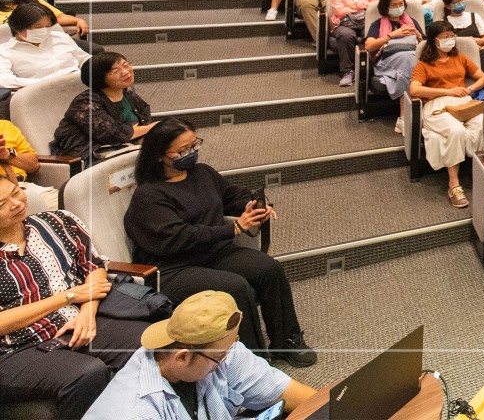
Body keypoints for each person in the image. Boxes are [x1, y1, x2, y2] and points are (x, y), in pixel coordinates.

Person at [124, 120, 315, 364]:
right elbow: (180, 237)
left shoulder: (202, 173)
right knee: (235, 287)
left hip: (213, 253)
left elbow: (232, 195)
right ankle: (251, 362)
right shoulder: (149, 195)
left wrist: (252, 206)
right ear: (159, 155)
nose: (191, 153)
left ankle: (286, 341)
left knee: (269, 268)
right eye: (182, 150)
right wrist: (233, 228)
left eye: (194, 145)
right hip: (173, 267)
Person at [0, 173, 151, 419]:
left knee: (150, 342)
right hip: (16, 347)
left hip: (75, 320)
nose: (16, 204)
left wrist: (87, 313)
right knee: (87, 373)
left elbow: (94, 268)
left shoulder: (58, 222)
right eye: (2, 204)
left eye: (16, 193)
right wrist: (67, 297)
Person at [83, 289, 317, 420]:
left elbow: (293, 394)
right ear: (182, 357)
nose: (227, 358)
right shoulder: (137, 411)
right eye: (220, 356)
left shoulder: (215, 350)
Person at [409, 22, 484, 208]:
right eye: (445, 37)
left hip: (463, 103)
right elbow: (414, 90)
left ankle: (481, 173)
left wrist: (469, 89)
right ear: (434, 40)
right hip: (437, 106)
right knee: (456, 131)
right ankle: (454, 184)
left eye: (452, 36)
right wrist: (447, 92)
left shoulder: (459, 57)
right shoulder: (423, 65)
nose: (450, 40)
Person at [51, 52, 155, 163]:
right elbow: (114, 134)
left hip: (125, 148)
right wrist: (154, 127)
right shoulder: (85, 102)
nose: (125, 72)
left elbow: (144, 124)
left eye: (125, 65)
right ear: (99, 78)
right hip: (89, 156)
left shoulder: (129, 96)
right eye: (116, 71)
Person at [0, 1, 91, 114]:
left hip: (79, 88)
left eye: (48, 26)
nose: (44, 30)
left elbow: (84, 59)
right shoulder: (5, 51)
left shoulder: (61, 37)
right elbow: (4, 80)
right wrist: (43, 82)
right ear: (18, 28)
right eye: (38, 27)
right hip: (42, 96)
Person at [364, 0, 423, 100]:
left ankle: (406, 105)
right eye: (393, 5)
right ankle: (413, 99)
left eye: (401, 4)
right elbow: (369, 46)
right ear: (385, 7)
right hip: (388, 60)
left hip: (413, 57)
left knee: (410, 58)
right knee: (408, 58)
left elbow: (425, 46)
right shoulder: (377, 24)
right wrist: (391, 35)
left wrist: (418, 36)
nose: (398, 7)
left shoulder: (411, 22)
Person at [327, 0, 378, 87]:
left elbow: (375, 5)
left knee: (373, 32)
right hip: (345, 24)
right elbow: (339, 11)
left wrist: (352, 8)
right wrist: (363, 8)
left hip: (366, 22)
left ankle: (373, 68)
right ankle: (348, 72)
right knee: (346, 35)